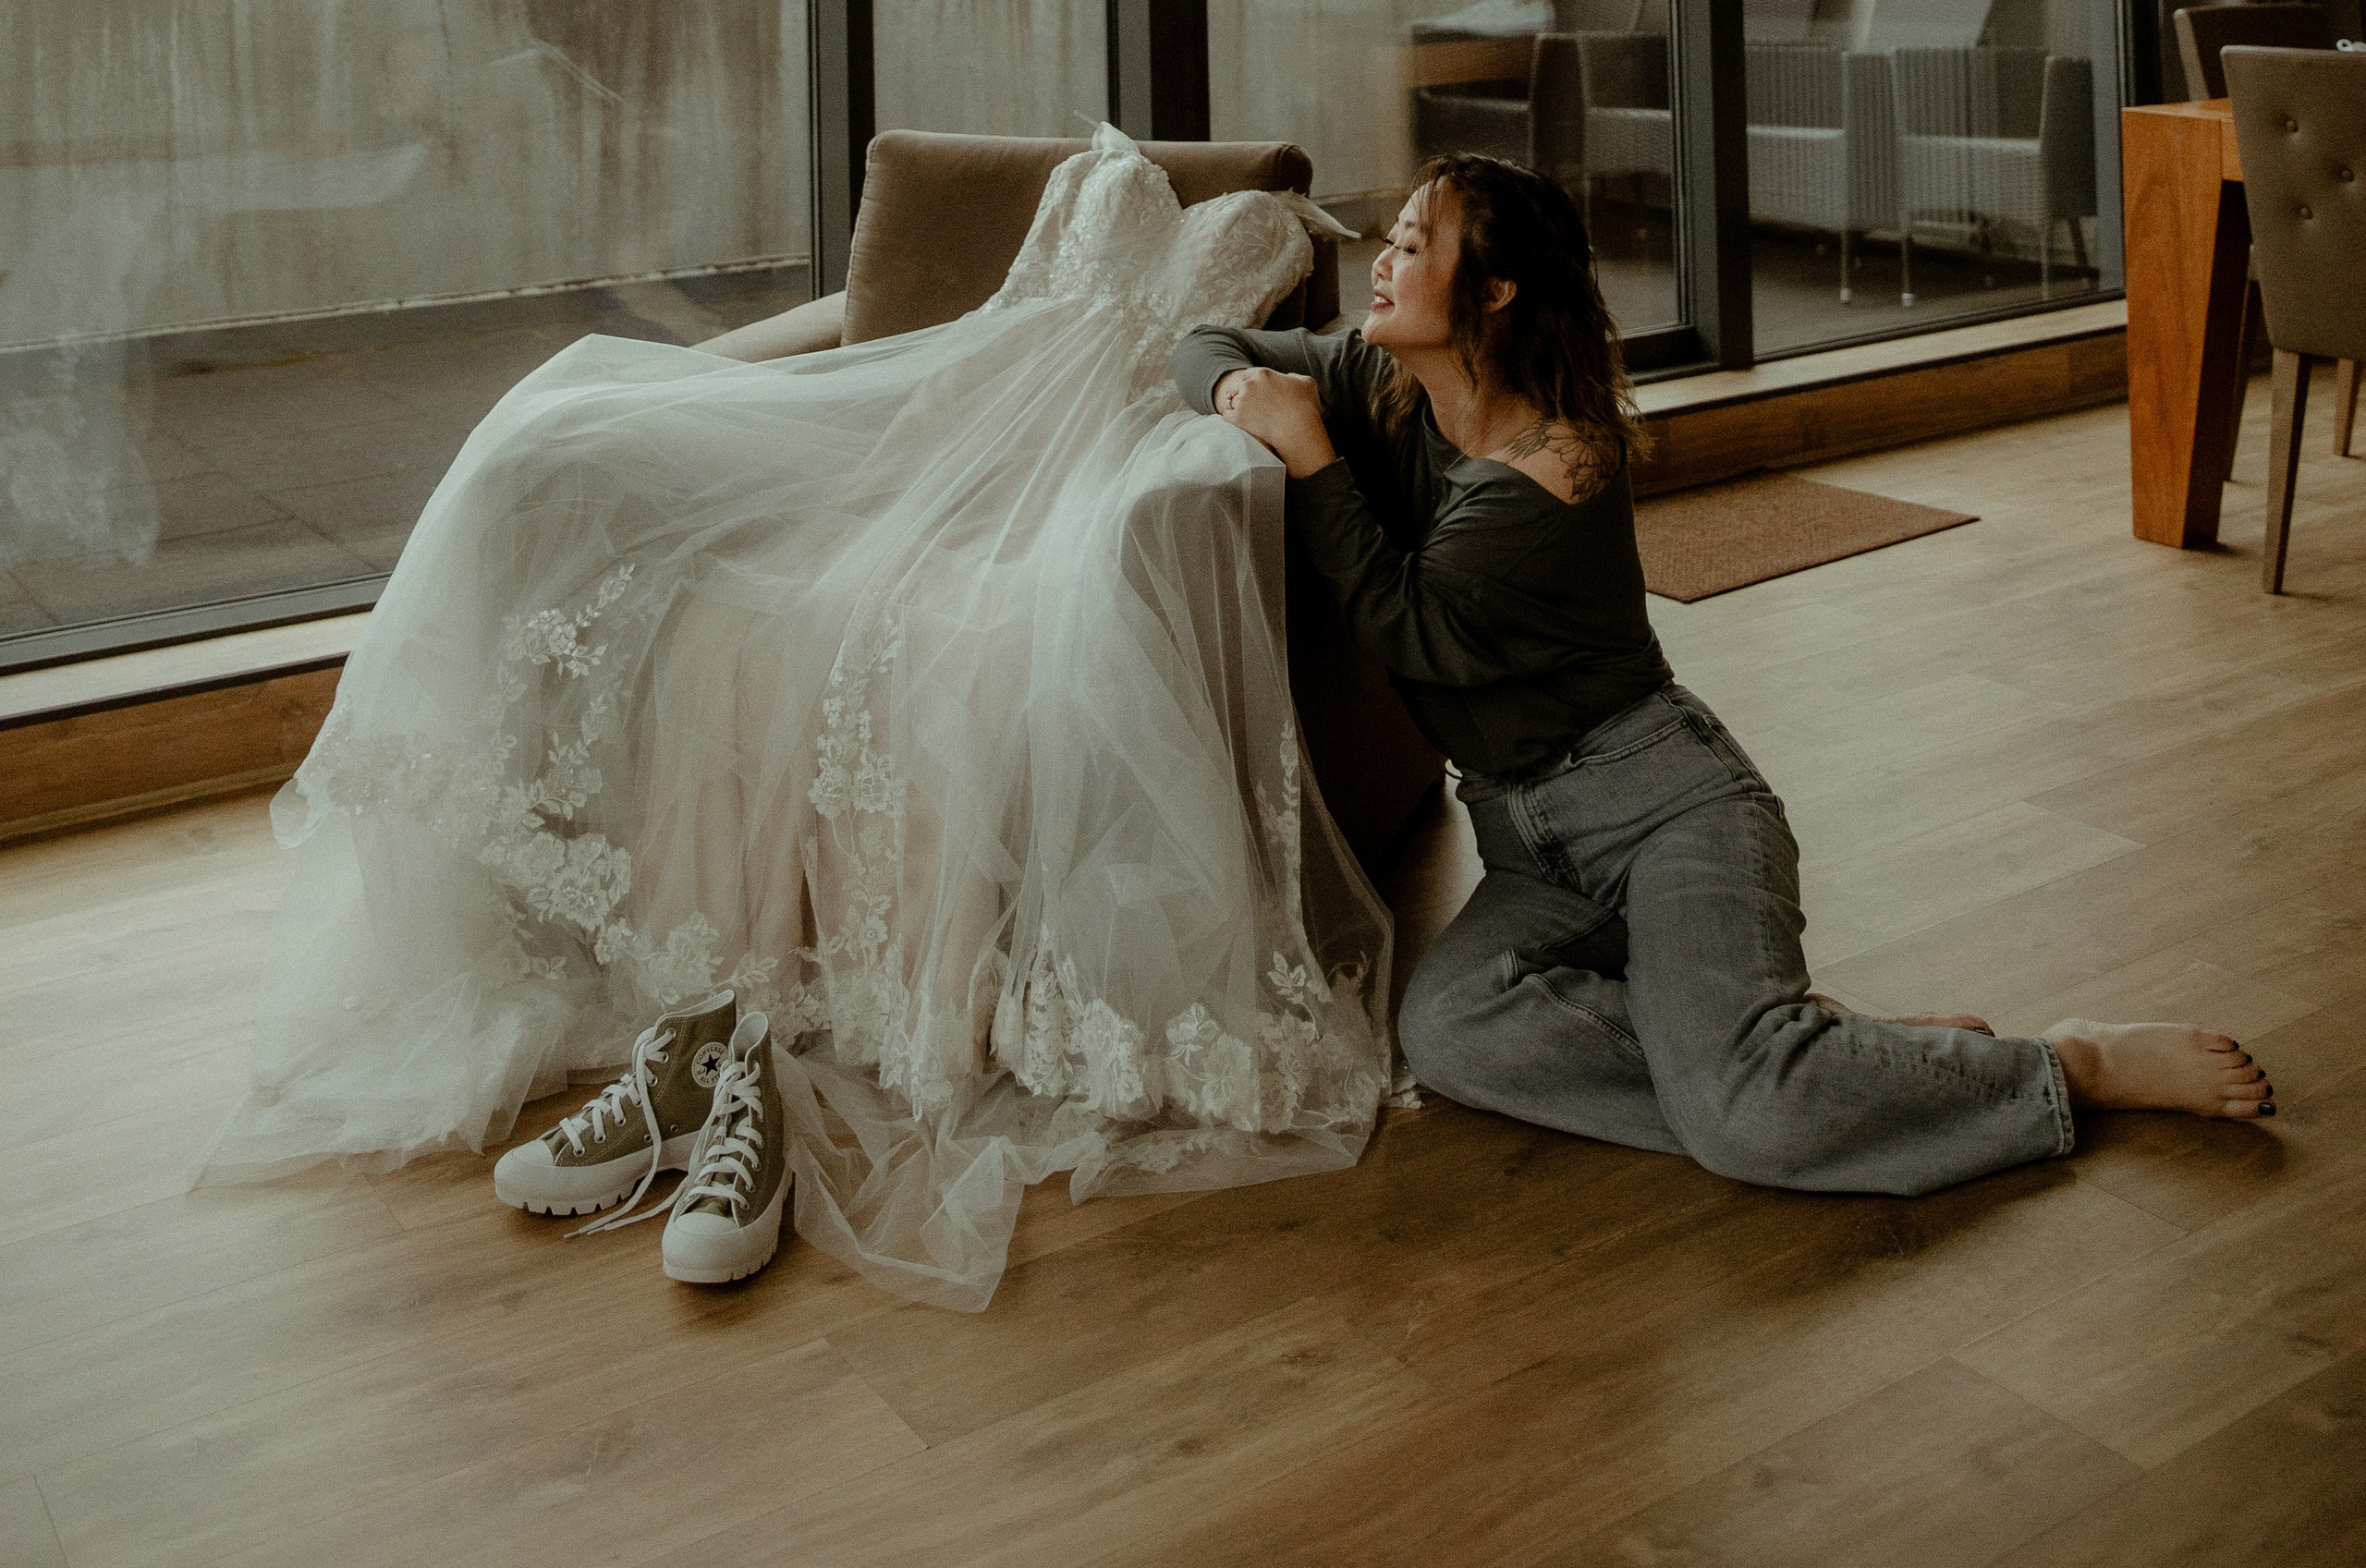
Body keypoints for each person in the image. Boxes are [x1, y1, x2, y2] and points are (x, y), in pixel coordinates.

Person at [201, 129, 1392, 1309]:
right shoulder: (1090, 179)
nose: (1400, 246)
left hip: (1091, 466)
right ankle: (709, 1043)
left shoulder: (1289, 289)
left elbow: (1271, 386)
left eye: (1421, 236)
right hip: (957, 421)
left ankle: (750, 1063)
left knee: (945, 638)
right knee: (581, 449)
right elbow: (990, 333)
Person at [1177, 153, 2275, 1195]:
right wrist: (1243, 400)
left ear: (1496, 291)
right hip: (1530, 847)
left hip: (1667, 815)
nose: (1381, 257)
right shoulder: (1384, 384)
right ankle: (1812, 1058)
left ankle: (2064, 1066)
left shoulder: (1561, 463)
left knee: (1744, 1119)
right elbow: (1206, 342)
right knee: (1450, 1032)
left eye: (1414, 244)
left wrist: (1309, 454)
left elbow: (1409, 626)